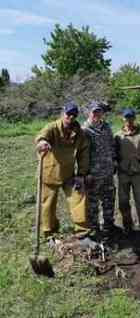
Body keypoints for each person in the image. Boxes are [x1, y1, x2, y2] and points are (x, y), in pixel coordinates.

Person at [35, 102, 93, 245]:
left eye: (74, 115)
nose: (71, 117)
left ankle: (82, 234)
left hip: (68, 175)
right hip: (49, 173)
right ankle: (50, 234)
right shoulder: (52, 127)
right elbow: (42, 136)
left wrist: (81, 174)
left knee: (79, 198)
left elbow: (84, 153)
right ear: (63, 113)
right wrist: (42, 142)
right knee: (48, 205)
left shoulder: (79, 132)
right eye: (68, 114)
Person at [115, 108, 140, 238]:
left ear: (134, 118)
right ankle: (127, 227)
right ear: (123, 119)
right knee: (123, 202)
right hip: (123, 174)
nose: (129, 121)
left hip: (138, 173)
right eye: (126, 118)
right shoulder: (118, 136)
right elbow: (113, 153)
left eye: (131, 117)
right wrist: (117, 164)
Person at [82, 101, 116, 239]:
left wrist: (114, 161)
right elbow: (81, 154)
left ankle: (109, 225)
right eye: (94, 111)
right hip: (93, 174)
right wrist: (86, 173)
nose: (97, 114)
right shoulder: (84, 130)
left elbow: (112, 145)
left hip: (108, 171)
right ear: (89, 113)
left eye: (99, 111)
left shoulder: (106, 127)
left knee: (109, 199)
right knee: (93, 203)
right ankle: (95, 229)